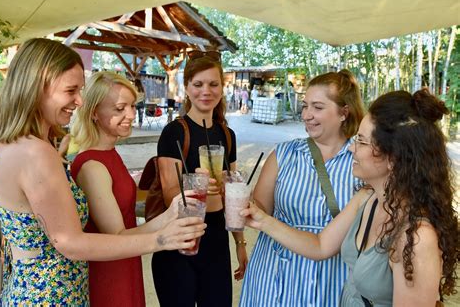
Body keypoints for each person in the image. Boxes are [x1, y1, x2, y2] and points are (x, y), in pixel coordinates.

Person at [0, 38, 206, 305]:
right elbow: (70, 242)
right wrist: (161, 239)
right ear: (37, 87)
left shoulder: (15, 143)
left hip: (31, 289)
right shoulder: (37, 153)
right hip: (50, 296)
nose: (79, 100)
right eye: (71, 90)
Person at [243, 89, 458, 306]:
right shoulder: (368, 198)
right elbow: (320, 246)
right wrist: (261, 219)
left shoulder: (416, 237)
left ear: (394, 157)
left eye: (362, 142)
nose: (352, 149)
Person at [239, 70, 365, 307]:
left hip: (332, 278)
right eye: (305, 106)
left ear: (343, 112)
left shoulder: (361, 159)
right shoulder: (285, 154)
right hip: (275, 274)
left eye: (317, 107)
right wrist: (238, 199)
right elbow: (260, 209)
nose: (307, 115)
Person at [151, 51, 248, 307]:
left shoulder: (227, 135)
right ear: (187, 87)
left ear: (222, 87)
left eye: (213, 84)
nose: (206, 91)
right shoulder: (174, 131)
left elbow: (232, 197)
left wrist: (239, 242)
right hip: (180, 236)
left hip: (215, 237)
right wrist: (198, 183)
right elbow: (170, 193)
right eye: (198, 84)